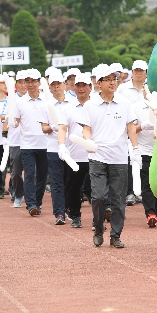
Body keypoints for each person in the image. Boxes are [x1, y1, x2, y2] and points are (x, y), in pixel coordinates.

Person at [80, 65, 139, 248]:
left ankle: (115, 235)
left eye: (114, 79)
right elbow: (86, 128)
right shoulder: (90, 105)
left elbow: (130, 127)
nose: (113, 82)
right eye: (108, 79)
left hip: (119, 158)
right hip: (98, 156)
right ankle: (98, 228)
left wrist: (135, 149)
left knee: (118, 199)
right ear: (99, 83)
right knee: (98, 196)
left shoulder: (124, 103)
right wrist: (89, 142)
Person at [117, 60, 157, 225]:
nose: (139, 73)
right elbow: (129, 126)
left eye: (142, 71)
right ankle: (149, 212)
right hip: (139, 144)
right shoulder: (130, 100)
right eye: (136, 70)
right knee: (146, 179)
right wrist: (142, 127)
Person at [38, 72, 75, 225]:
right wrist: (53, 128)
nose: (56, 86)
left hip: (71, 148)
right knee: (56, 181)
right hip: (53, 148)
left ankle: (69, 208)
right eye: (53, 84)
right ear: (50, 87)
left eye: (58, 83)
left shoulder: (73, 102)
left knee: (71, 181)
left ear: (65, 85)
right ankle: (59, 213)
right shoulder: (45, 105)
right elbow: (44, 128)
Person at [57, 73, 92, 228]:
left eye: (84, 85)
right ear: (73, 87)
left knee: (95, 188)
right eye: (78, 85)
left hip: (94, 155)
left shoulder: (97, 105)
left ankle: (100, 215)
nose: (81, 88)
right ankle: (76, 216)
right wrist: (61, 145)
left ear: (90, 87)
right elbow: (62, 128)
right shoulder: (68, 107)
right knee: (74, 188)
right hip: (75, 156)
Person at [14, 69, 48, 216]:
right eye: (27, 81)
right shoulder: (19, 102)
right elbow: (15, 122)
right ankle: (31, 204)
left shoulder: (47, 101)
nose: (30, 84)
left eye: (33, 81)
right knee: (29, 173)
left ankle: (38, 202)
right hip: (27, 144)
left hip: (45, 143)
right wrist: (9, 120)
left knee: (42, 175)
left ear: (39, 82)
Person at [8, 71, 27, 208]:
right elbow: (6, 117)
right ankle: (18, 194)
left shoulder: (38, 99)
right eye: (20, 82)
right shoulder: (11, 100)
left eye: (25, 82)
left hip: (32, 142)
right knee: (16, 172)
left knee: (33, 172)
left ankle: (31, 197)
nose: (23, 85)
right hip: (16, 141)